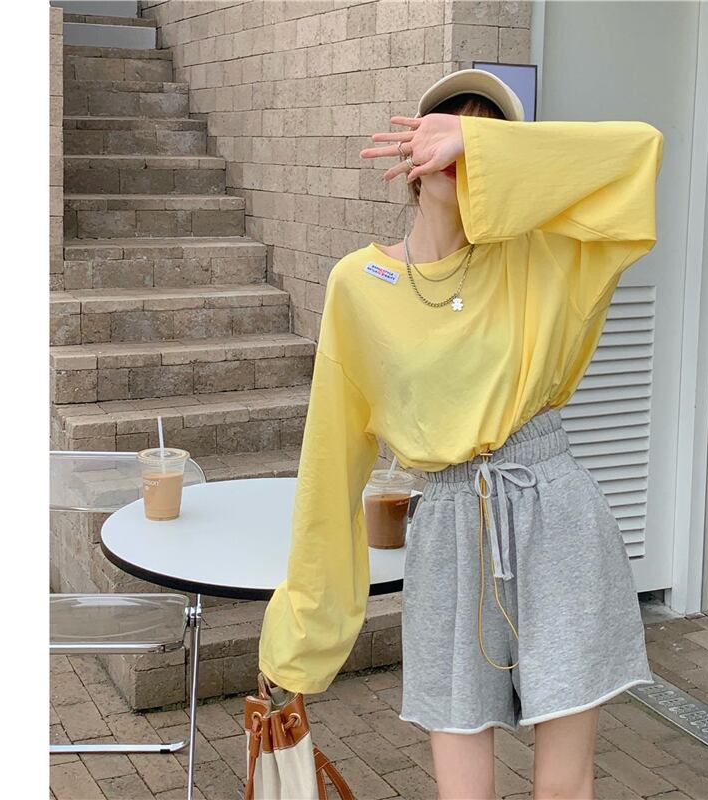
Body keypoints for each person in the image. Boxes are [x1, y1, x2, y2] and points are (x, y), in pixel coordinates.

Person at [257, 69, 665, 799]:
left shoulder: (546, 253)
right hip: (447, 527)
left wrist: (478, 145)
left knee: (563, 787)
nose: (458, 147)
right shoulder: (357, 285)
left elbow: (637, 152)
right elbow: (329, 468)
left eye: (481, 135)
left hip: (555, 512)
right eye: (444, 127)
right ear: (411, 154)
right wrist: (299, 640)